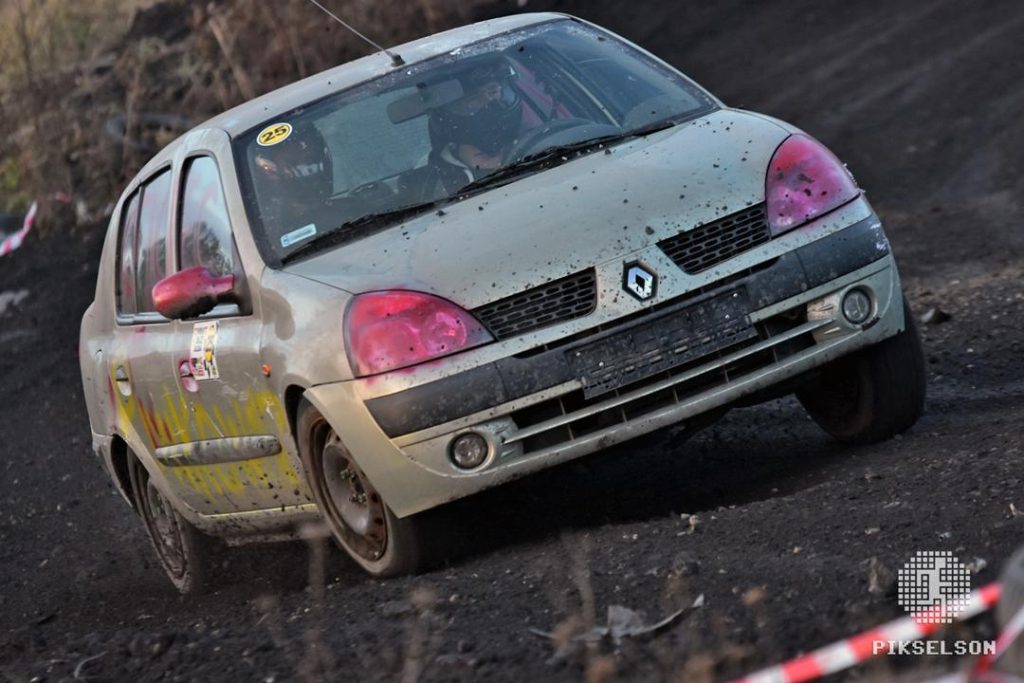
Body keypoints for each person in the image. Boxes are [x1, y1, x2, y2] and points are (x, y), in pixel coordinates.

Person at [429, 58, 524, 177]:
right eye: (473, 98)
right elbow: (491, 164)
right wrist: (506, 155)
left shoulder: (517, 117)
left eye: (493, 91)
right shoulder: (457, 141)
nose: (488, 101)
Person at [250, 124, 334, 241]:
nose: (307, 168)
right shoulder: (264, 234)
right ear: (269, 171)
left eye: (311, 158)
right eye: (293, 162)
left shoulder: (351, 211)